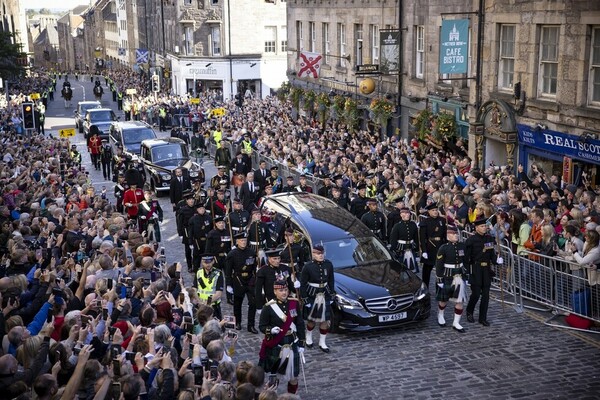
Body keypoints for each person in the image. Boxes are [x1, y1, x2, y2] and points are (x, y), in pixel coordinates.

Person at [258, 279, 305, 395]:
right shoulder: (268, 307)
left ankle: (291, 396)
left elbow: (299, 323)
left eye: (285, 290)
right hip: (277, 344)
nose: (284, 293)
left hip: (292, 342)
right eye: (281, 290)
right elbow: (262, 326)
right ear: (275, 291)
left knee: (294, 376)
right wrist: (270, 330)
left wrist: (302, 343)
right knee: (274, 377)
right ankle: (272, 396)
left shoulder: (294, 303)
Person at [465, 218, 502, 326]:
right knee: (476, 294)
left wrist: (497, 261)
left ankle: (483, 317)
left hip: (486, 270)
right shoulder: (471, 240)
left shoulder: (489, 239)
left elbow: (492, 254)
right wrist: (467, 272)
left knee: (486, 296)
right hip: (475, 269)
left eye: (485, 226)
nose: (484, 228)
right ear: (476, 228)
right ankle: (469, 311)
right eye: (481, 226)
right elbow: (466, 257)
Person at [300, 244, 334, 353]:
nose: (321, 255)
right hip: (312, 294)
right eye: (318, 254)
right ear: (313, 254)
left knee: (325, 320)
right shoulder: (308, 266)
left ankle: (322, 342)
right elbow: (303, 283)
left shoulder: (328, 264)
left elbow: (331, 280)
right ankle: (308, 336)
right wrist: (304, 298)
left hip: (325, 293)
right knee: (311, 320)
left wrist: (332, 293)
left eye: (322, 253)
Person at [434, 225, 468, 333]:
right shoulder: (443, 248)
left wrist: (466, 276)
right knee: (444, 299)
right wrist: (439, 279)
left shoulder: (462, 246)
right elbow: (439, 264)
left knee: (460, 300)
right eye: (453, 234)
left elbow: (465, 261)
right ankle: (440, 314)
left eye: (456, 233)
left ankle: (456, 322)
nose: (456, 235)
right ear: (448, 236)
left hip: (459, 274)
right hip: (447, 275)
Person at [225, 232, 258, 333]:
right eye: (241, 240)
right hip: (238, 280)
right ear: (237, 241)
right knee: (237, 303)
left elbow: (254, 267)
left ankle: (251, 325)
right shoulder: (232, 254)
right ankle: (238, 322)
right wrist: (229, 284)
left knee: (253, 303)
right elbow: (228, 271)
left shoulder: (251, 252)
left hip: (250, 280)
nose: (243, 242)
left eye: (245, 240)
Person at [419, 203, 447, 290]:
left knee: (440, 269)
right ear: (429, 212)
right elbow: (422, 238)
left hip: (440, 246)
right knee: (427, 270)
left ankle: (439, 288)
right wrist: (424, 251)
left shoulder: (442, 220)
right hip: (430, 247)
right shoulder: (425, 222)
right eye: (433, 210)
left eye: (436, 210)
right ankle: (425, 286)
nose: (435, 212)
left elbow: (445, 235)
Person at [389, 207, 420, 272]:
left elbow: (416, 238)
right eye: (405, 213)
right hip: (401, 249)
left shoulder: (413, 224)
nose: (407, 215)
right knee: (401, 269)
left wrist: (417, 250)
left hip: (411, 248)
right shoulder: (397, 226)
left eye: (408, 213)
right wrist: (394, 250)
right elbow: (393, 240)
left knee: (412, 268)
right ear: (401, 215)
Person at [197, 254, 224, 320]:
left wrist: (206, 303)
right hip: (200, 306)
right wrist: (198, 302)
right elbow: (194, 289)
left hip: (213, 306)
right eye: (205, 262)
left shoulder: (218, 274)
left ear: (213, 261)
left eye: (209, 262)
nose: (207, 264)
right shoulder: (199, 273)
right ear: (202, 262)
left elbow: (218, 294)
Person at [188, 202, 213, 273]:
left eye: (203, 208)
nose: (201, 210)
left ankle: (208, 270)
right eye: (200, 209)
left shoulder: (209, 218)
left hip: (207, 241)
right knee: (196, 257)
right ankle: (196, 270)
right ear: (197, 210)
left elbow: (211, 229)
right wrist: (190, 242)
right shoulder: (193, 219)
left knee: (207, 256)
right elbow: (190, 232)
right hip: (197, 241)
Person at [176, 191, 197, 272]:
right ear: (187, 201)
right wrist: (180, 233)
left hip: (195, 232)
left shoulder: (196, 209)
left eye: (192, 199)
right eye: (190, 200)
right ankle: (189, 265)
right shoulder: (183, 210)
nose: (191, 201)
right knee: (188, 251)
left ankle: (195, 265)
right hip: (186, 232)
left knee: (196, 251)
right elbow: (179, 222)